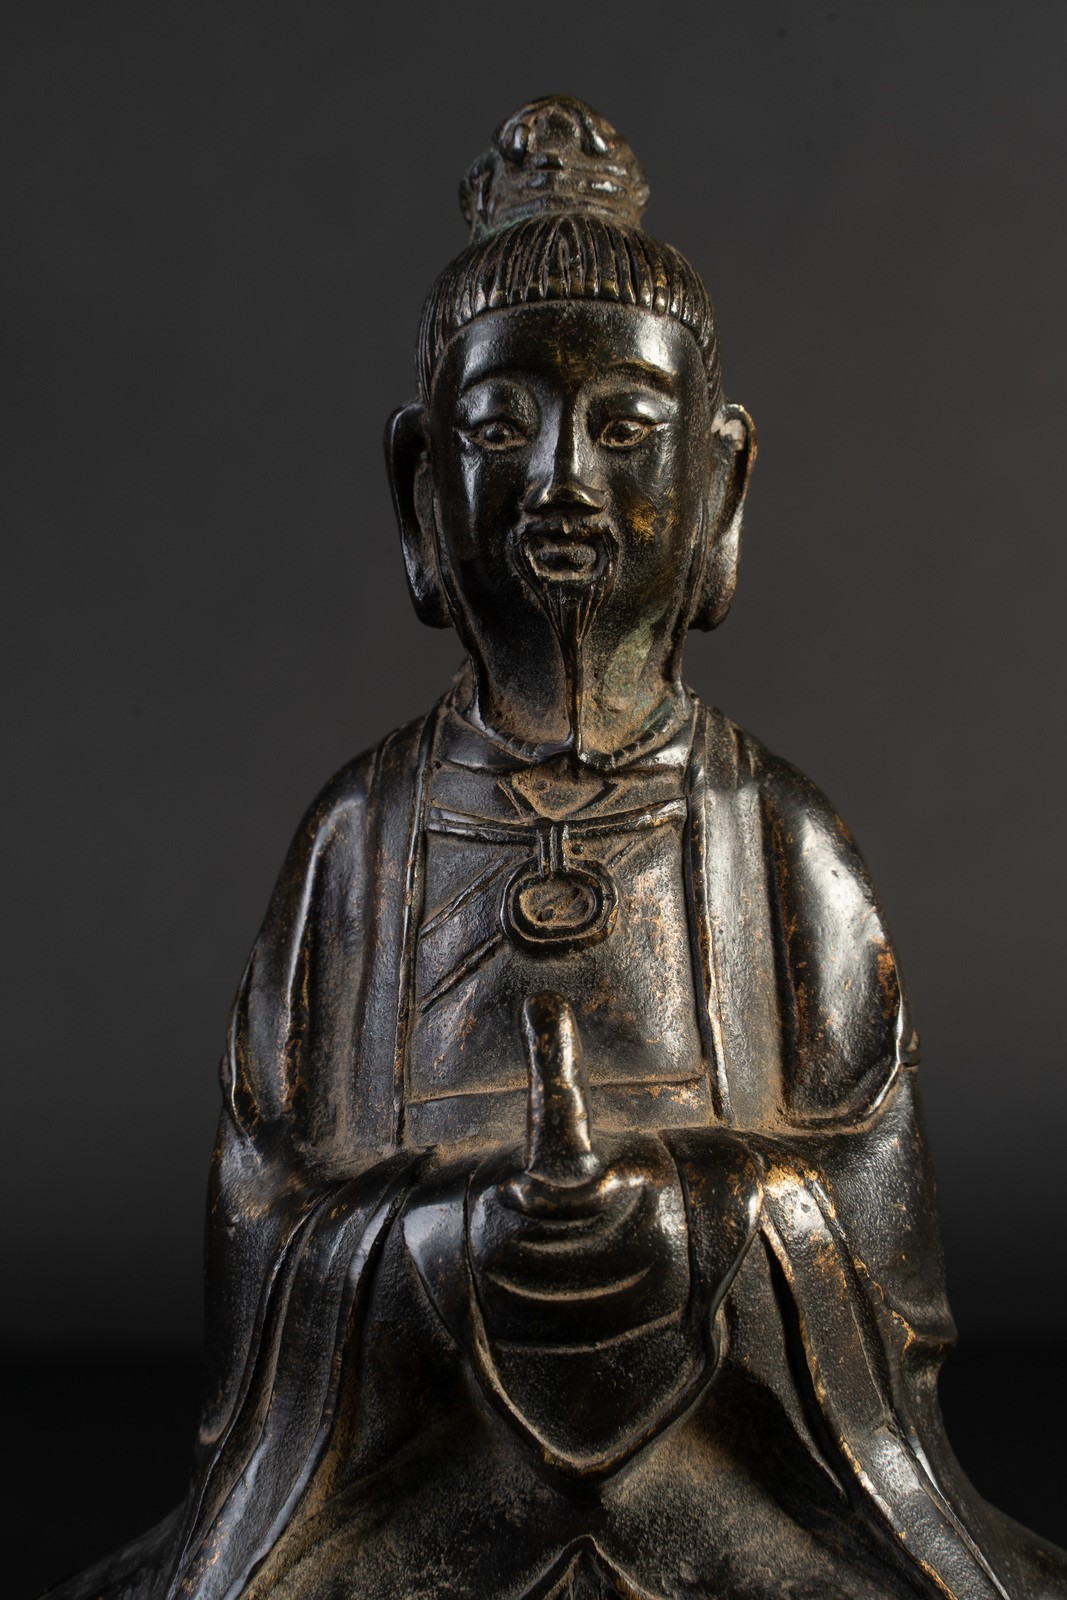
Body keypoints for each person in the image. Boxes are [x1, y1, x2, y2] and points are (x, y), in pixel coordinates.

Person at [48, 97, 1067, 1600]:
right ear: (421, 488)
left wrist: (701, 1224)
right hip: (428, 1487)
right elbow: (267, 1214)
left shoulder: (773, 837)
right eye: (500, 429)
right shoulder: (358, 845)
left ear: (722, 483)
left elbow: (881, 1241)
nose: (565, 482)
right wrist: (449, 1248)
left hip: (718, 1486)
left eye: (627, 429)